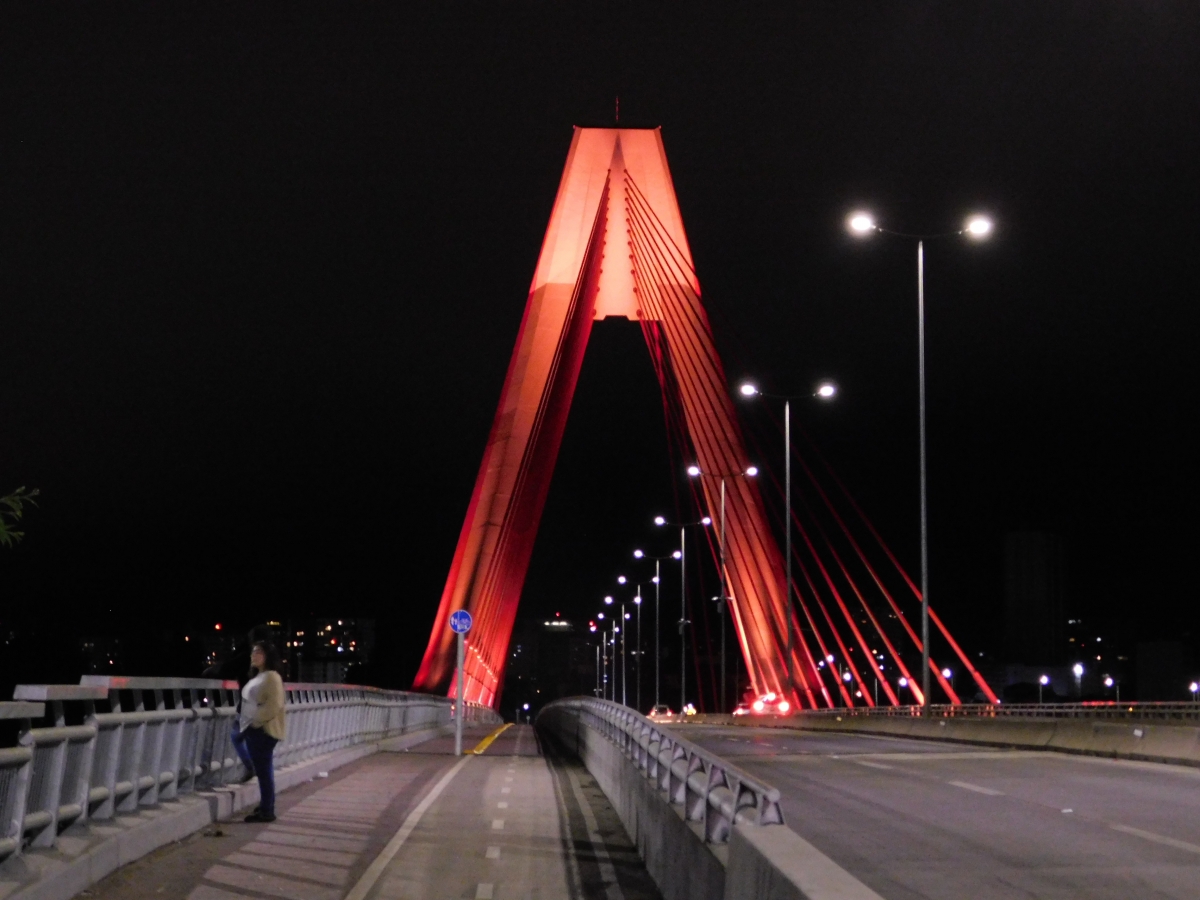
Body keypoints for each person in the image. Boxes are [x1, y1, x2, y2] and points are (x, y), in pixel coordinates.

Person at [240, 641, 286, 822]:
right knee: (263, 771)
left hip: (263, 730)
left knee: (264, 772)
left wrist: (255, 722)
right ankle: (266, 807)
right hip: (254, 729)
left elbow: (274, 705)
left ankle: (267, 810)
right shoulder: (260, 676)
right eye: (253, 652)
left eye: (258, 652)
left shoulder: (272, 677)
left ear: (268, 655)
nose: (254, 655)